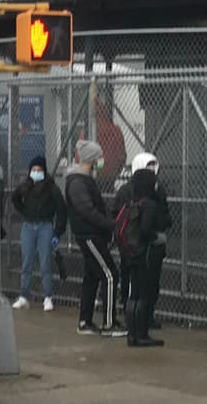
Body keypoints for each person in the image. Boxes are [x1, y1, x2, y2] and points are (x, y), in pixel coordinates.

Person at [65, 139, 126, 337]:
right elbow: (88, 211)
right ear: (91, 159)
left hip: (92, 233)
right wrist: (111, 224)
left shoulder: (85, 180)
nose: (102, 160)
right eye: (99, 157)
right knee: (110, 274)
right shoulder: (77, 182)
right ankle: (109, 323)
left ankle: (85, 321)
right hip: (89, 234)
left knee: (92, 277)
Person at [113, 153, 171, 328]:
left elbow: (164, 215)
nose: (152, 170)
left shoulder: (158, 190)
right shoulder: (126, 191)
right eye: (148, 166)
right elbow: (121, 217)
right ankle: (133, 320)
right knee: (132, 284)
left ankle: (148, 316)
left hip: (153, 245)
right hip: (134, 244)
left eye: (154, 165)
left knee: (152, 283)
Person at [10, 155, 67, 312]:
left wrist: (57, 232)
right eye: (33, 170)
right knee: (26, 262)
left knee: (45, 263)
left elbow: (62, 210)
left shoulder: (51, 188)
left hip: (45, 226)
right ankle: (24, 296)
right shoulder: (25, 186)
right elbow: (15, 198)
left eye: (39, 170)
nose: (36, 172)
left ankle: (48, 297)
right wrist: (24, 212)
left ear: (44, 171)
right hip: (28, 226)